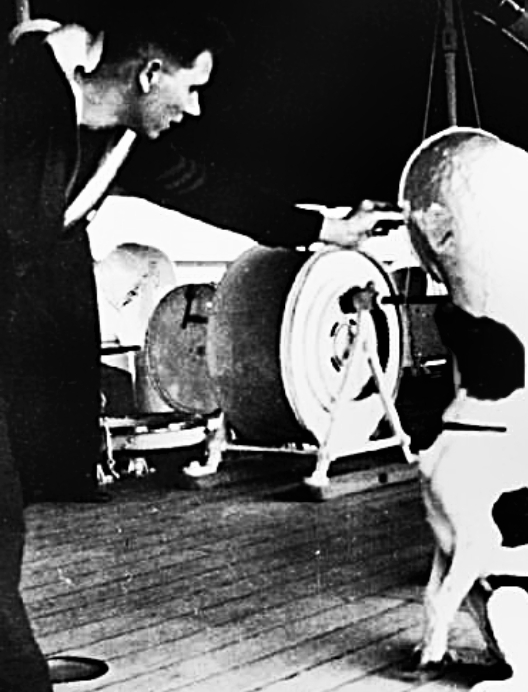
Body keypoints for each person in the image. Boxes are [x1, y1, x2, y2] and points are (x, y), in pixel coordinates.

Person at [0, 4, 401, 689]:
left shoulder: (115, 141)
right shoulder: (23, 91)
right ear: (149, 73)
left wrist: (325, 229)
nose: (193, 108)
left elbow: (208, 189)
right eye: (191, 88)